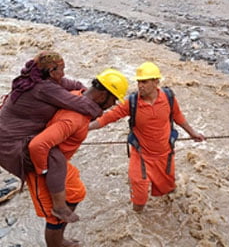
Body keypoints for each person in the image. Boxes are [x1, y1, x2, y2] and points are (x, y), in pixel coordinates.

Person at [27, 68, 128, 247]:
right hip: (41, 164)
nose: (112, 104)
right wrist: (42, 170)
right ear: (103, 94)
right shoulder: (74, 118)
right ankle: (55, 244)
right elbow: (37, 146)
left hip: (58, 162)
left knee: (76, 192)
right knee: (55, 215)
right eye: (113, 99)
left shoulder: (76, 95)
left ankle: (60, 240)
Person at [0, 51, 103, 223]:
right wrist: (100, 107)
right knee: (55, 159)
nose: (63, 74)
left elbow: (74, 84)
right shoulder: (43, 88)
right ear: (51, 71)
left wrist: (86, 90)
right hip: (11, 143)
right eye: (61, 70)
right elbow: (79, 104)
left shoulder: (40, 78)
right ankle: (59, 207)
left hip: (9, 134)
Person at [89, 62, 205, 212]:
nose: (140, 86)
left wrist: (193, 133)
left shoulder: (168, 97)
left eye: (144, 81)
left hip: (165, 155)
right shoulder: (132, 102)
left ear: (156, 82)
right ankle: (139, 222)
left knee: (167, 193)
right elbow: (107, 118)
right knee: (139, 196)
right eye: (138, 82)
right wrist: (84, 128)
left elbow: (178, 116)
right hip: (141, 157)